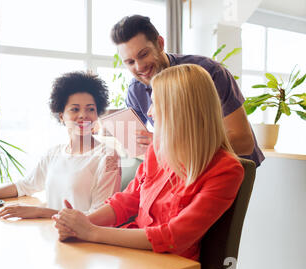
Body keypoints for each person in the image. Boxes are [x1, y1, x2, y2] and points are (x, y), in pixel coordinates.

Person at [53, 64, 245, 269]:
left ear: (178, 110)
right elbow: (127, 201)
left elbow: (174, 236)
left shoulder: (226, 169)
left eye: (155, 103)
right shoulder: (157, 149)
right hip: (132, 258)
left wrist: (91, 231)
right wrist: (83, 223)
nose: (150, 112)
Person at [0, 71, 121, 219]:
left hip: (84, 242)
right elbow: (24, 185)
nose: (83, 115)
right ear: (61, 116)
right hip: (52, 235)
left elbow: (100, 215)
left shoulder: (108, 157)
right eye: (75, 109)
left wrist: (40, 212)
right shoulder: (54, 153)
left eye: (90, 109)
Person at [111, 14, 264, 167]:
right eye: (130, 62)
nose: (139, 67)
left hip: (230, 165)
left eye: (144, 54)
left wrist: (169, 145)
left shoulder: (208, 72)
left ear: (160, 43)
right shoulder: (136, 90)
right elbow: (135, 146)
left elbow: (243, 142)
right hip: (183, 167)